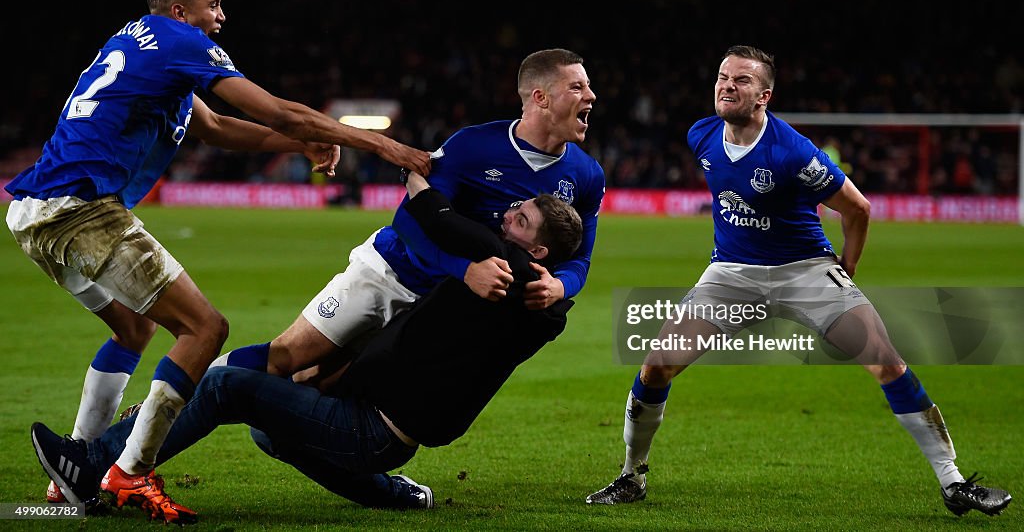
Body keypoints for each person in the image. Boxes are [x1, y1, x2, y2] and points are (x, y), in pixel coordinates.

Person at [9, 0, 430, 524]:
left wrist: (304, 143)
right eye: (213, 4)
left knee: (134, 329)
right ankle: (129, 475)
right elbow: (274, 110)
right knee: (205, 329)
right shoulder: (179, 41)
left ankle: (76, 469)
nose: (222, 16)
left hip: (33, 210)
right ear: (180, 11)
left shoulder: (143, 48)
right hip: (79, 208)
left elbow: (219, 129)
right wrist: (376, 144)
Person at [585, 45, 1012, 518]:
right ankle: (631, 476)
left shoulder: (792, 151)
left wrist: (845, 269)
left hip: (805, 271)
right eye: (723, 77)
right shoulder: (701, 135)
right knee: (657, 365)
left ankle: (953, 483)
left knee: (886, 362)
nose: (727, 85)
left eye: (741, 80)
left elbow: (858, 208)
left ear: (764, 95)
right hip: (731, 274)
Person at [29, 171, 584, 516]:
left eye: (520, 218)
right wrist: (561, 286)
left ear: (536, 255)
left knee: (227, 385)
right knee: (270, 431)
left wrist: (420, 183)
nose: (504, 215)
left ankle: (95, 464)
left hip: (374, 428)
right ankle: (391, 494)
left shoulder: (509, 278)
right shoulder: (536, 301)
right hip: (381, 422)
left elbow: (441, 219)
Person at [210, 48, 605, 389]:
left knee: (346, 389)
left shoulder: (587, 176)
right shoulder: (474, 146)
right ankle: (183, 394)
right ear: (540, 98)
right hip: (391, 272)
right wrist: (464, 268)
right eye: (577, 87)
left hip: (444, 306)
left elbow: (580, 259)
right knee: (287, 358)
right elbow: (411, 220)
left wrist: (560, 286)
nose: (591, 95)